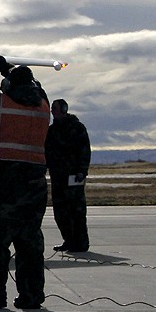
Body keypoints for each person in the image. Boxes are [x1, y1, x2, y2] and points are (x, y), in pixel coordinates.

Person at [0, 56, 50, 310]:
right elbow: (37, 86)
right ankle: (31, 296)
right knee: (30, 244)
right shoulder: (43, 106)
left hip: (4, 185)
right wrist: (9, 69)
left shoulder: (0, 105)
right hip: (35, 187)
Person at [46, 98, 91, 252]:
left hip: (73, 177)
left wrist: (82, 171)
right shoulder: (51, 131)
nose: (53, 111)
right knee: (60, 211)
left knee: (76, 211)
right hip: (58, 177)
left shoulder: (77, 128)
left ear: (64, 109)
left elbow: (84, 151)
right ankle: (69, 240)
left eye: (55, 108)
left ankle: (81, 242)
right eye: (52, 108)